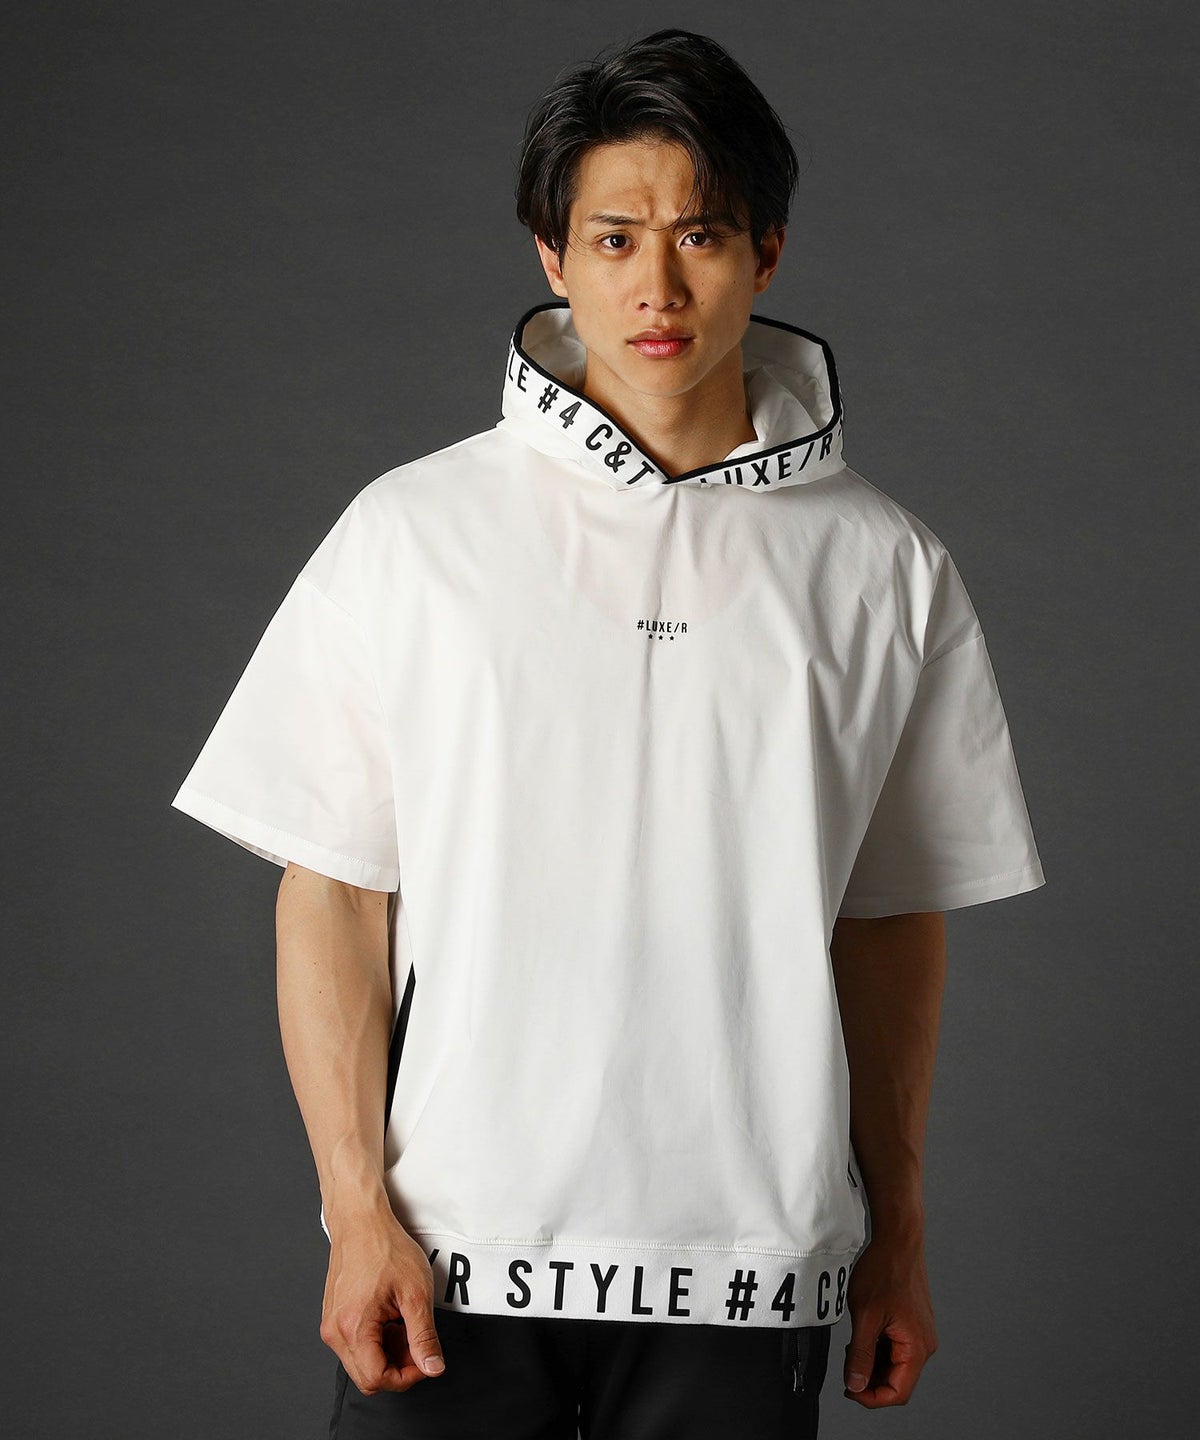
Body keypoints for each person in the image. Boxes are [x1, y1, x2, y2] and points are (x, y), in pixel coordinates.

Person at [170, 27, 1046, 1439]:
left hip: (751, 1266)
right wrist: (354, 1214)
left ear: (767, 252)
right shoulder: (414, 534)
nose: (658, 286)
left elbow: (889, 921)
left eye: (701, 235)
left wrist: (900, 1234)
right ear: (552, 255)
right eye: (615, 237)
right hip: (450, 1256)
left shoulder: (886, 566)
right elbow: (332, 889)